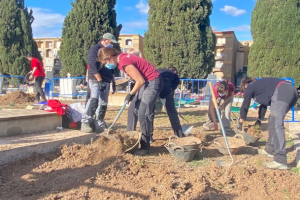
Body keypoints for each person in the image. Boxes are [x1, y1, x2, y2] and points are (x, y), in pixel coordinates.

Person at [98, 47, 163, 156]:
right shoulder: (123, 57)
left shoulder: (123, 61)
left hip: (153, 81)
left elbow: (140, 81)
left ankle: (145, 146)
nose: (106, 65)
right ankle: (129, 139)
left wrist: (131, 94)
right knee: (132, 109)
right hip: (146, 82)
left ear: (110, 58)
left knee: (143, 113)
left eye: (105, 62)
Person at [238, 77, 298, 170]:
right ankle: (270, 149)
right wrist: (259, 120)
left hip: (282, 92)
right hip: (291, 92)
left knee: (276, 124)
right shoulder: (261, 87)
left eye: (243, 91)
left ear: (244, 86)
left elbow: (245, 104)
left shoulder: (249, 88)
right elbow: (263, 106)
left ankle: (280, 160)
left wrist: (241, 119)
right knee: (272, 120)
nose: (244, 93)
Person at [81, 33, 117, 133]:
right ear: (105, 40)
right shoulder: (95, 49)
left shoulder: (109, 51)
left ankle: (99, 122)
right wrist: (99, 80)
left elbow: (112, 66)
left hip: (106, 79)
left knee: (103, 103)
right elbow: (92, 65)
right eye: (110, 42)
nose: (112, 45)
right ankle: (86, 122)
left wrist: (113, 81)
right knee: (94, 100)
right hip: (95, 79)